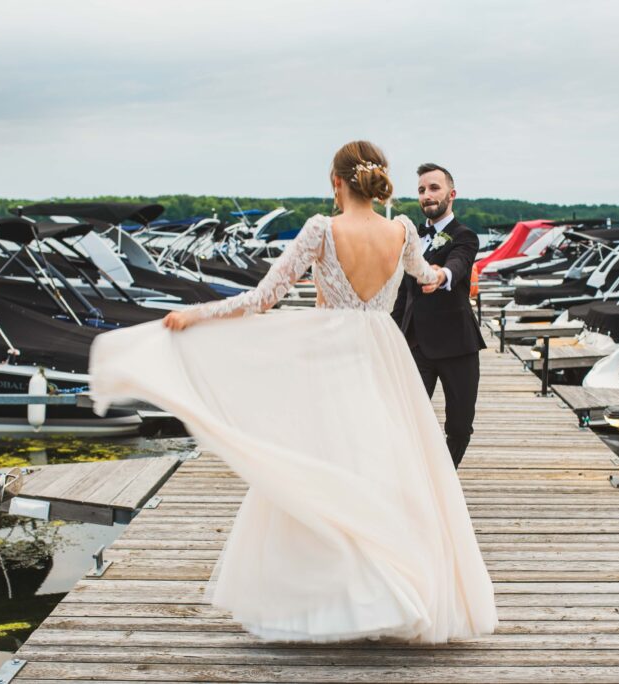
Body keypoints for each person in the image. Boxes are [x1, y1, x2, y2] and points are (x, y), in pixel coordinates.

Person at [89, 141, 497, 643]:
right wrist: (442, 277)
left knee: (328, 467)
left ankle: (336, 598)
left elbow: (263, 298)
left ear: (336, 182)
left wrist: (199, 313)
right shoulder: (403, 230)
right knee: (385, 466)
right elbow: (430, 277)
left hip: (333, 355)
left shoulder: (322, 230)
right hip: (384, 355)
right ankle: (393, 589)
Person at [391, 163, 484, 469]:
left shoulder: (465, 235)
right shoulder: (412, 238)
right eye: (421, 190)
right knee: (406, 418)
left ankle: (445, 479)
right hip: (416, 346)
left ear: (451, 194)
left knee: (459, 425)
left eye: (434, 188)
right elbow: (404, 294)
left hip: (458, 346)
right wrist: (389, 333)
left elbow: (458, 265)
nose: (427, 195)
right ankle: (414, 479)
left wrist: (441, 275)